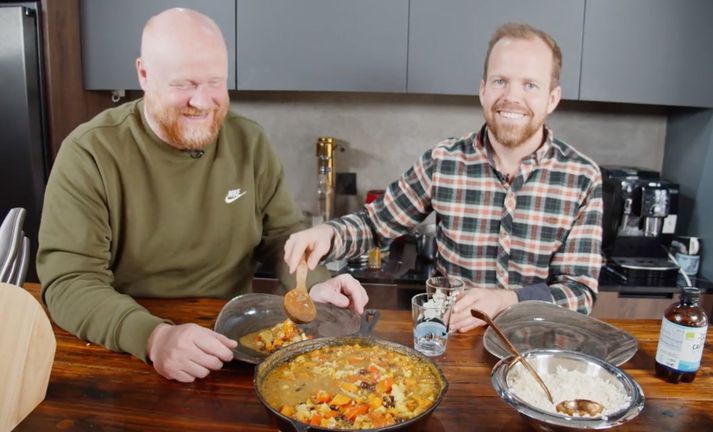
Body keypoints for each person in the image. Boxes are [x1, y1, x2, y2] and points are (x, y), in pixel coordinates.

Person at [37, 8, 367, 383]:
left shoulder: (249, 141)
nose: (202, 101)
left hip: (235, 347)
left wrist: (313, 285)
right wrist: (153, 337)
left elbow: (282, 238)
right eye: (183, 84)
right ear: (144, 74)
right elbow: (69, 282)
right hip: (128, 351)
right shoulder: (90, 152)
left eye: (215, 82)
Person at [284, 23, 603, 332]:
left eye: (530, 85)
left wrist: (508, 300)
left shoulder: (582, 178)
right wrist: (328, 233)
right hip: (447, 341)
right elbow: (374, 225)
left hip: (532, 349)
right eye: (500, 81)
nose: (511, 96)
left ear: (552, 98)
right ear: (483, 89)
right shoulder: (443, 161)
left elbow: (579, 293)